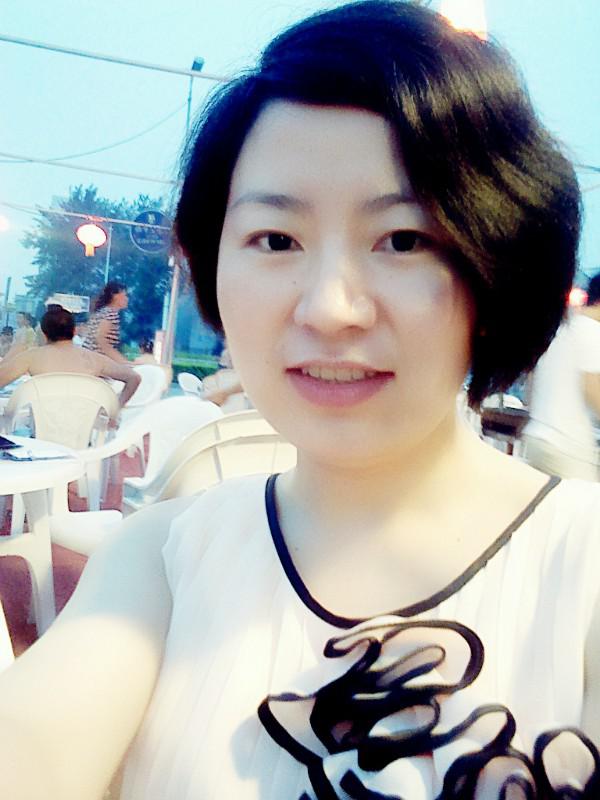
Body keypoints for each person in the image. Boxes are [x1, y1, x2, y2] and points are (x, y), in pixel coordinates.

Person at [1, 3, 599, 798]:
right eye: (276, 240)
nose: (329, 308)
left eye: (404, 240)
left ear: (496, 266)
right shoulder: (164, 563)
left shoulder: (584, 572)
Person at [521, 273, 600, 480]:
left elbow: (531, 382)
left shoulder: (561, 330)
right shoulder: (593, 332)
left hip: (537, 438)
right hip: (567, 446)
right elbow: (594, 391)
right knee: (586, 500)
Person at [0, 305, 141, 407]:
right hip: (84, 432)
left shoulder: (31, 357)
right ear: (74, 331)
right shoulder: (95, 359)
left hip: (40, 431)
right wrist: (116, 407)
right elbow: (134, 378)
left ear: (43, 333)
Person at [82, 281, 129, 364]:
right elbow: (101, 340)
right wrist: (124, 362)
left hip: (87, 359)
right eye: (125, 295)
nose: (127, 299)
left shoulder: (100, 312)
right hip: (97, 362)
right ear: (115, 296)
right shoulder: (110, 314)